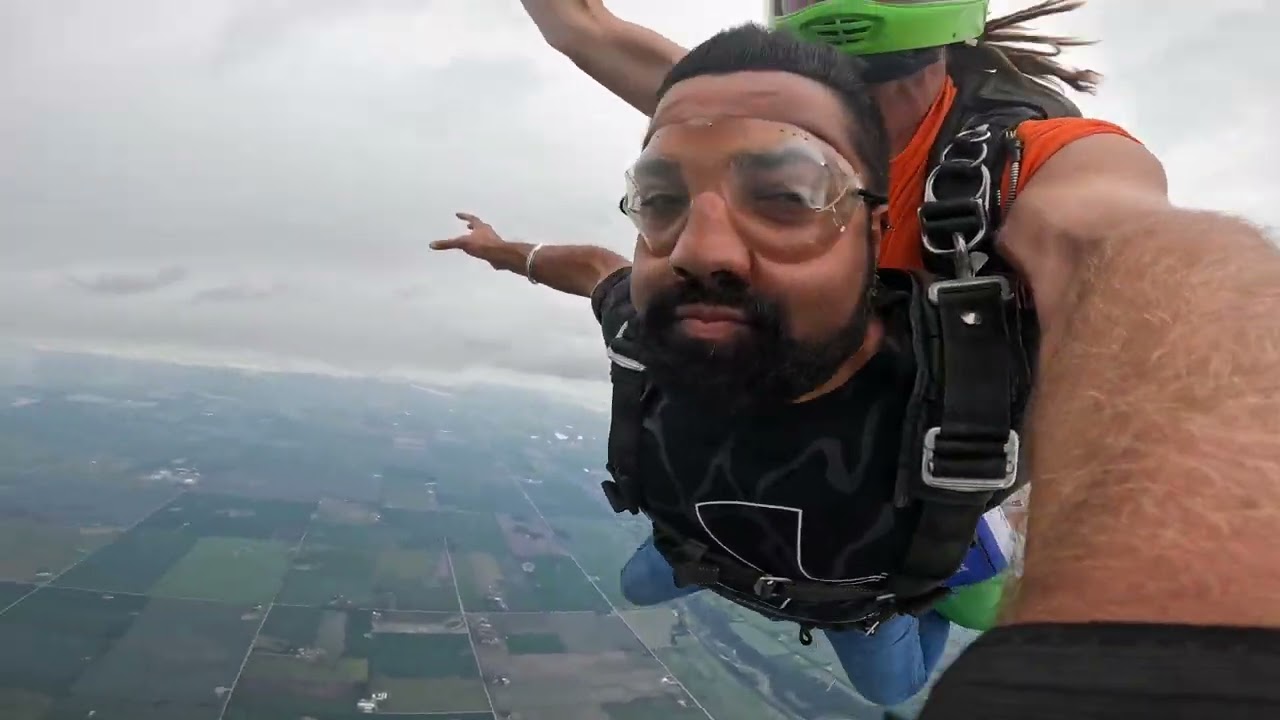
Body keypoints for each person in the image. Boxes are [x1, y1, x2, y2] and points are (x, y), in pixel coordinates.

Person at [435, 9, 1280, 719]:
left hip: (875, 542)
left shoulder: (1024, 165)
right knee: (644, 582)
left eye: (785, 196)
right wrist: (509, 252)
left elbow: (1124, 254)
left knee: (898, 672)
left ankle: (940, 584)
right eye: (663, 200)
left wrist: (1171, 635)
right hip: (710, 524)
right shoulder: (750, 117)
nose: (709, 249)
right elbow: (584, 40)